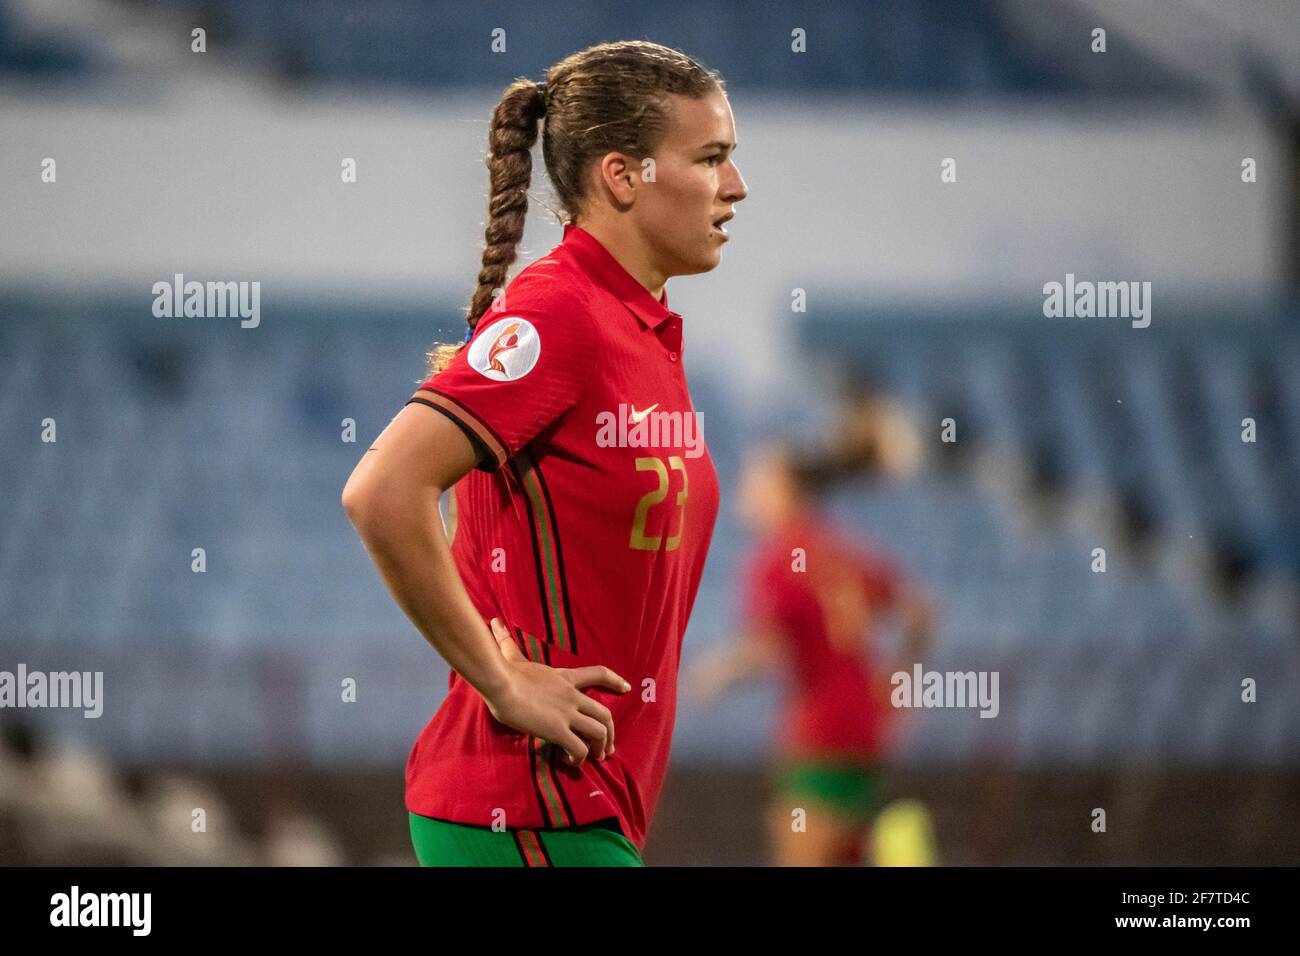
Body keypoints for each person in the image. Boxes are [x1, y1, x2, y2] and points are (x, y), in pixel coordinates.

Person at [342, 40, 748, 866]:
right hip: (528, 803)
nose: (735, 187)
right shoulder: (562, 311)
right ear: (621, 176)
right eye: (710, 159)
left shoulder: (641, 329)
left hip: (582, 807)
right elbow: (383, 489)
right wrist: (501, 682)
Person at [687, 429, 934, 866]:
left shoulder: (775, 560)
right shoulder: (839, 549)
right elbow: (920, 612)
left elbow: (768, 650)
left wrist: (710, 675)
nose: (745, 488)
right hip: (867, 729)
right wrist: (901, 681)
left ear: (786, 489)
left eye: (756, 478)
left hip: (820, 736)